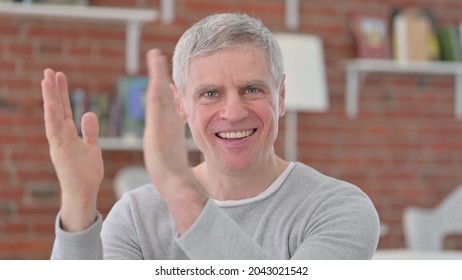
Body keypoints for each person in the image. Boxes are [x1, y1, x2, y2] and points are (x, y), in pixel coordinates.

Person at [42, 13, 380, 260]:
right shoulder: (137, 215)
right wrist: (79, 202)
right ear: (180, 105)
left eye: (251, 89)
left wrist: (180, 192)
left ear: (281, 97)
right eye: (210, 94)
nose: (233, 112)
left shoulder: (339, 209)